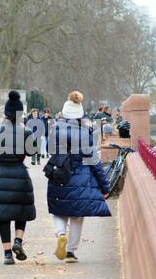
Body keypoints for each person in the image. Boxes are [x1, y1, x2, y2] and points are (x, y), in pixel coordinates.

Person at [47, 91, 111, 263]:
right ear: (80, 113)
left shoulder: (56, 128)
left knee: (58, 210)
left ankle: (61, 234)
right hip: (81, 178)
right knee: (77, 216)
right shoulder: (85, 132)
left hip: (59, 175)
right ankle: (70, 251)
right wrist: (105, 186)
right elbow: (94, 161)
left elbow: (49, 150)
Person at [0, 91, 36, 265]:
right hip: (20, 175)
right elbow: (32, 152)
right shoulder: (25, 131)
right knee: (21, 211)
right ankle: (18, 240)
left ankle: (7, 254)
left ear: (6, 113)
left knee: (3, 216)